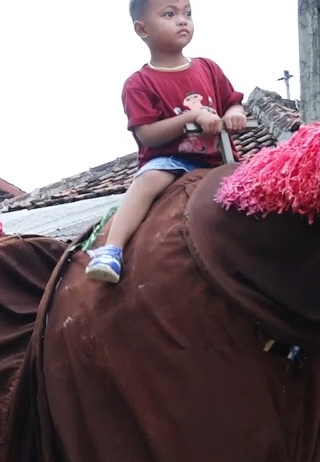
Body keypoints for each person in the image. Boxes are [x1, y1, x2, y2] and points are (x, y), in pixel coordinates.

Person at [85, 0, 246, 283]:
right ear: (142, 29)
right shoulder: (139, 82)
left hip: (219, 157)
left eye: (187, 13)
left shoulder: (208, 68)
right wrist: (190, 118)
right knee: (147, 181)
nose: (182, 20)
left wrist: (234, 114)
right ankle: (112, 248)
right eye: (169, 14)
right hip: (171, 160)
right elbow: (146, 133)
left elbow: (232, 103)